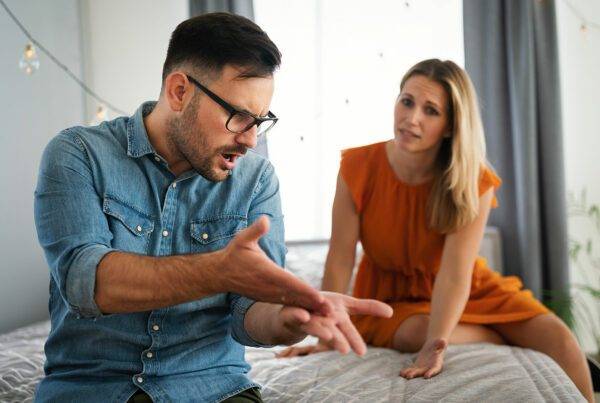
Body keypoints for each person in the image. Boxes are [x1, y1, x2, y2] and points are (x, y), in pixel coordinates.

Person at [33, 13, 392, 403]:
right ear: (179, 92)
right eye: (238, 116)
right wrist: (218, 271)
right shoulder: (78, 154)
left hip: (213, 389)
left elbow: (251, 310)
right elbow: (86, 283)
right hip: (92, 388)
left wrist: (289, 320)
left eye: (260, 120)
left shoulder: (257, 181)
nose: (251, 140)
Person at [277, 59, 594, 401]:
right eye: (407, 101)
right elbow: (340, 258)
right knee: (419, 332)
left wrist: (437, 345)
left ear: (449, 126)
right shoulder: (357, 167)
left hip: (467, 288)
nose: (412, 118)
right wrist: (328, 333)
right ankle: (500, 336)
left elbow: (455, 275)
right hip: (389, 295)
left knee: (560, 338)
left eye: (431, 110)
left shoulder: (474, 180)